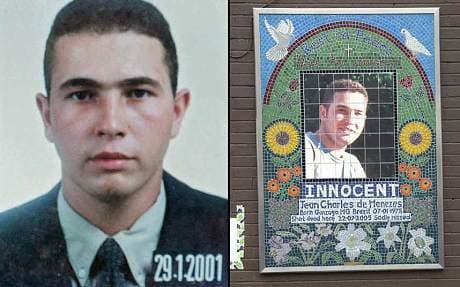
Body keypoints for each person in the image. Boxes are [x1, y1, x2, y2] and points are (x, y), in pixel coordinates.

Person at [0, 1, 227, 286]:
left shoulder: (236, 235)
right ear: (47, 116)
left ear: (177, 112)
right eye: (82, 95)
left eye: (138, 93)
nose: (111, 125)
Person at [305, 78, 367, 179]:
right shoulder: (305, 148)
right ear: (323, 113)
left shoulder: (352, 164)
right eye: (341, 111)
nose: (350, 120)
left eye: (358, 113)